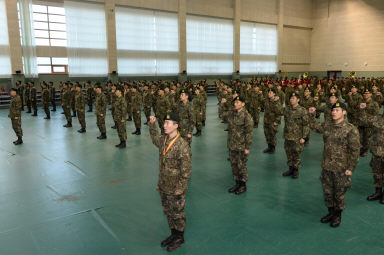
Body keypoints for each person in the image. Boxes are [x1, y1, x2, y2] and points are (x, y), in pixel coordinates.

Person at [309, 102, 360, 227]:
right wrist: (311, 115)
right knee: (327, 192)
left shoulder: (350, 129)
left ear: (344, 112)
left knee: (339, 193)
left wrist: (350, 168)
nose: (334, 112)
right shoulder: (328, 125)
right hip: (326, 165)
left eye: (337, 110)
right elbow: (315, 126)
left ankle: (338, 215)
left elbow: (355, 150)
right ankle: (330, 212)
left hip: (341, 168)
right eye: (333, 110)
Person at [148, 113, 191, 252]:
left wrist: (181, 188)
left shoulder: (182, 146)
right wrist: (152, 125)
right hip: (164, 185)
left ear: (176, 126)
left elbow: (186, 171)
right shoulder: (164, 140)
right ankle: (173, 234)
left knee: (178, 213)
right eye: (164, 123)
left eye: (168, 123)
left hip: (176, 187)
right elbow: (155, 139)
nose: (165, 125)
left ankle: (180, 237)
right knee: (168, 211)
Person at [221, 96, 254, 195]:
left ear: (243, 104)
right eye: (235, 102)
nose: (235, 104)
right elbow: (222, 115)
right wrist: (222, 105)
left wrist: (247, 147)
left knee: (241, 166)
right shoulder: (232, 114)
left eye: (238, 102)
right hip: (232, 144)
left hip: (241, 146)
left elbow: (249, 133)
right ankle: (237, 183)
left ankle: (243, 185)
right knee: (234, 165)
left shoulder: (246, 116)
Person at [359, 102, 384, 204]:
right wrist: (362, 110)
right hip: (377, 152)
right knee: (377, 173)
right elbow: (363, 121)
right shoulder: (378, 118)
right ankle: (378, 192)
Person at [282, 92, 309, 179]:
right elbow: (278, 111)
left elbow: (306, 124)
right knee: (288, 153)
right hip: (287, 135)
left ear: (298, 100)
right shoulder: (287, 109)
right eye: (290, 98)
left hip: (297, 137)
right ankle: (290, 168)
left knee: (296, 153)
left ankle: (296, 170)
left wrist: (304, 137)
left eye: (293, 98)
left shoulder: (302, 110)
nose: (291, 100)